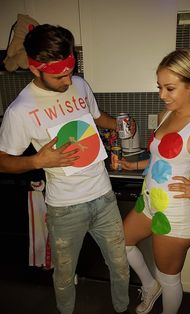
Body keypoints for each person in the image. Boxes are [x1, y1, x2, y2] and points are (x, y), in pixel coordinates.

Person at [0, 24, 131, 314]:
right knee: (63, 275)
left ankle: (123, 309)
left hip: (103, 196)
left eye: (70, 72)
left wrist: (121, 124)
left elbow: (97, 117)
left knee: (120, 264)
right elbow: (3, 161)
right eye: (60, 76)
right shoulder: (20, 110)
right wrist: (37, 161)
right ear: (36, 70)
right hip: (64, 207)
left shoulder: (79, 84)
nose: (67, 80)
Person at [112, 48, 190, 314]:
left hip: (176, 215)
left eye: (169, 88)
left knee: (169, 278)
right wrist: (132, 165)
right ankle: (148, 286)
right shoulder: (165, 115)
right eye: (160, 87)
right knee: (120, 242)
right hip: (149, 203)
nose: (161, 95)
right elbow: (160, 161)